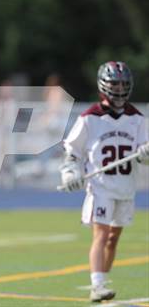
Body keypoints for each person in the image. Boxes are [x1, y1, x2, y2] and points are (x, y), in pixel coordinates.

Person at [60, 61, 149, 302]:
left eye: (123, 84)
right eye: (114, 84)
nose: (119, 89)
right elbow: (73, 151)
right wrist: (70, 171)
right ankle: (97, 284)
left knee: (113, 237)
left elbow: (145, 153)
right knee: (101, 234)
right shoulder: (90, 118)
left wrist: (145, 154)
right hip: (100, 187)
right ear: (103, 85)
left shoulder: (137, 118)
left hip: (126, 188)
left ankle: (102, 279)